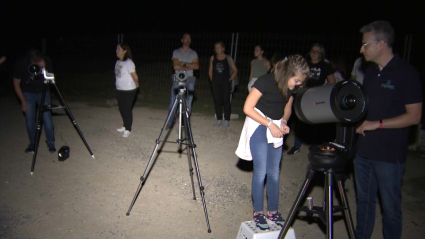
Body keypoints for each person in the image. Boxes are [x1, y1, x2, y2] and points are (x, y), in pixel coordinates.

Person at [354, 20, 422, 239]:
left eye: (365, 45)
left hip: (389, 155)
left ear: (381, 44)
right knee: (364, 204)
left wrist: (378, 124)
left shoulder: (406, 74)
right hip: (364, 152)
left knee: (390, 209)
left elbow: (414, 116)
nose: (361, 49)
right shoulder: (372, 73)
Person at [235, 55, 310, 230]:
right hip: (259, 124)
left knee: (274, 173)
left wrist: (283, 122)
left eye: (301, 82)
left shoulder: (291, 89)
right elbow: (247, 107)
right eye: (296, 80)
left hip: (275, 125)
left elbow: (287, 108)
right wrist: (269, 124)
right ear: (287, 73)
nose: (298, 85)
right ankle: (258, 213)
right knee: (261, 172)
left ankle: (273, 212)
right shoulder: (266, 81)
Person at [287, 43, 336, 155]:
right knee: (300, 120)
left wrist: (321, 90)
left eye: (316, 51)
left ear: (321, 54)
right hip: (304, 95)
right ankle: (296, 146)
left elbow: (332, 82)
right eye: (312, 51)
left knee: (315, 122)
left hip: (317, 97)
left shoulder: (325, 66)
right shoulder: (306, 65)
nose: (313, 53)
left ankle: (314, 148)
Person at [13, 48, 56, 153]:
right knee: (29, 118)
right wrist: (22, 101)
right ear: (30, 60)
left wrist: (44, 67)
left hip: (43, 91)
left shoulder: (46, 60)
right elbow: (16, 83)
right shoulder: (21, 63)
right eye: (34, 62)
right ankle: (33, 143)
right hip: (27, 93)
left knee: (47, 117)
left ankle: (50, 142)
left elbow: (51, 78)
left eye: (39, 60)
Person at [167, 33, 199, 129]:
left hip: (190, 79)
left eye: (189, 38)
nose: (187, 39)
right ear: (182, 40)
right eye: (185, 38)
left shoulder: (193, 53)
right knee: (173, 101)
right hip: (178, 78)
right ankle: (169, 123)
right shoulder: (176, 52)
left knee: (188, 102)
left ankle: (185, 122)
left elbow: (196, 66)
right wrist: (189, 65)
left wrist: (183, 64)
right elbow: (175, 66)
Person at [208, 41, 238, 128]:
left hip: (225, 83)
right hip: (216, 83)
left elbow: (235, 70)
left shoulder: (228, 58)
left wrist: (230, 79)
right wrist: (212, 80)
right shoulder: (213, 58)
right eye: (216, 48)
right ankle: (219, 119)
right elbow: (210, 70)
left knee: (226, 101)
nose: (217, 49)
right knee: (217, 101)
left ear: (223, 48)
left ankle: (227, 120)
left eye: (219, 47)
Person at [115, 43, 139, 138]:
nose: (117, 51)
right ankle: (125, 126)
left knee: (127, 109)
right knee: (121, 108)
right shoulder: (118, 62)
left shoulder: (128, 62)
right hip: (120, 89)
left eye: (119, 49)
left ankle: (128, 129)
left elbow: (135, 76)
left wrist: (136, 83)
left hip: (129, 89)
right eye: (116, 49)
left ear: (125, 51)